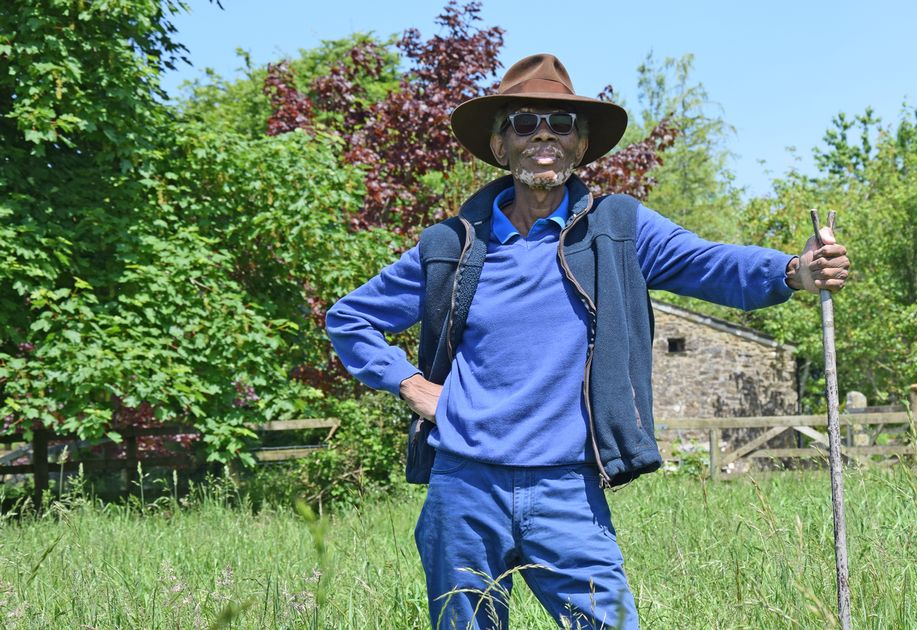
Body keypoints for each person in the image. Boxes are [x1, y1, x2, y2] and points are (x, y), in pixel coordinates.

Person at [326, 53, 850, 630]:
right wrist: (409, 384)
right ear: (500, 147)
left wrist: (794, 270)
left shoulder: (618, 230)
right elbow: (349, 318)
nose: (544, 135)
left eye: (562, 124)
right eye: (525, 123)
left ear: (580, 146)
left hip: (567, 489)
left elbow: (711, 264)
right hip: (465, 488)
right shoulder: (451, 245)